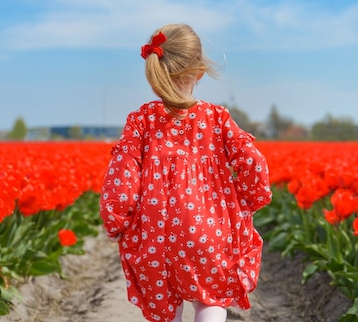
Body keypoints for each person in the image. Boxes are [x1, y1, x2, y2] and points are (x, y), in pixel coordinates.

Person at [100, 24, 271, 322]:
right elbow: (252, 160)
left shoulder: (141, 120)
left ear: (154, 76)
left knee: (166, 307)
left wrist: (116, 221)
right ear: (200, 72)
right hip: (210, 231)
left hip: (155, 235)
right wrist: (249, 199)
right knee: (211, 299)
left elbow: (122, 177)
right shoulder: (217, 118)